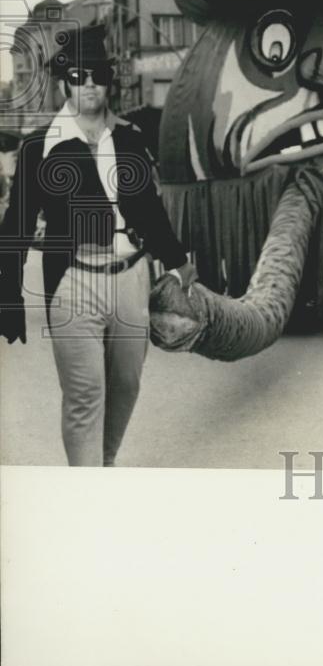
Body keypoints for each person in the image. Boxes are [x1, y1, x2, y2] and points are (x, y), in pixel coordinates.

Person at [0, 26, 196, 466]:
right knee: (86, 395)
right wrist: (8, 296)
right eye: (79, 74)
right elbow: (15, 227)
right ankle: (88, 493)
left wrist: (180, 262)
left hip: (132, 280)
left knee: (125, 387)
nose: (89, 83)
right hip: (73, 282)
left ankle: (99, 475)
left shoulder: (129, 139)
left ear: (110, 81)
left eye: (98, 75)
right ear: (65, 81)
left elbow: (149, 210)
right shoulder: (39, 149)